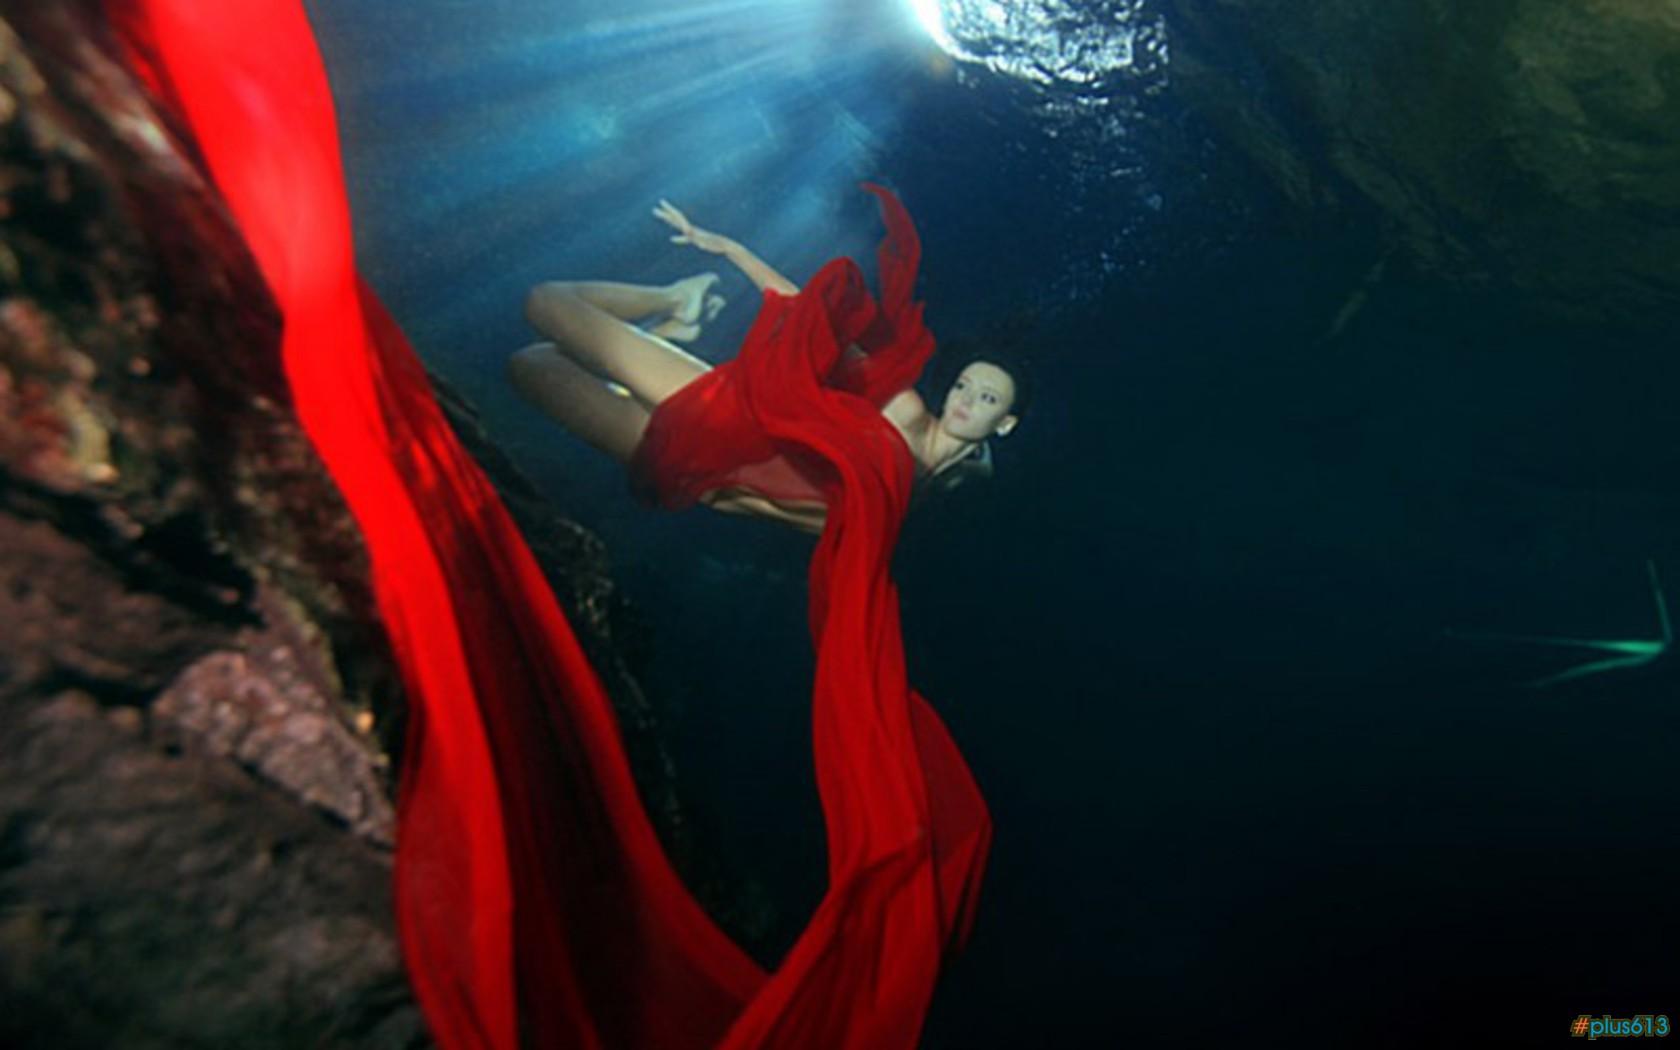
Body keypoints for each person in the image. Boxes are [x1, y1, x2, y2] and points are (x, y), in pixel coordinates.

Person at [507, 196, 1025, 533]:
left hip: (692, 474)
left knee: (529, 367)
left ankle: (671, 326)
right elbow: (812, 318)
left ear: (1004, 423)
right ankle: (673, 299)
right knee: (544, 303)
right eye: (963, 386)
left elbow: (763, 506)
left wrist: (703, 488)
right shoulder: (903, 407)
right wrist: (730, 250)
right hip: (718, 411)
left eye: (986, 399)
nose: (964, 401)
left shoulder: (895, 512)